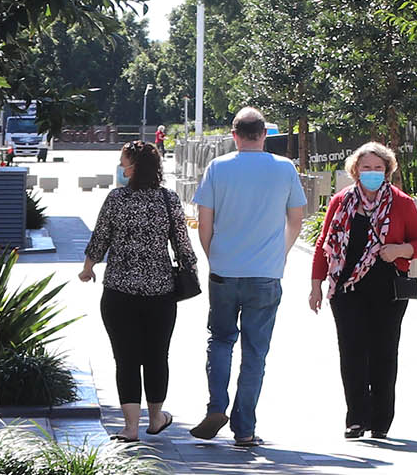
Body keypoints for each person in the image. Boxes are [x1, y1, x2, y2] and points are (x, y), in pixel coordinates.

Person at [190, 106, 309, 447]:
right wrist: (280, 254)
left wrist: (214, 256)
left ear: (235, 135)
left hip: (225, 270)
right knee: (255, 351)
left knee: (221, 339)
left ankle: (216, 405)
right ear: (265, 135)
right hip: (265, 274)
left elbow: (205, 220)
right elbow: (296, 220)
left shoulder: (219, 167)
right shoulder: (285, 168)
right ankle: (244, 428)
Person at [309, 142, 417, 441]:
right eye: (367, 168)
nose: (373, 173)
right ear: (355, 171)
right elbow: (324, 244)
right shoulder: (341, 202)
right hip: (347, 288)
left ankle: (380, 421)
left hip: (387, 289)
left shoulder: (401, 202)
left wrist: (400, 249)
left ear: (387, 170)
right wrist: (316, 285)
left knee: (383, 353)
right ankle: (355, 419)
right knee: (351, 353)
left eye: (378, 168)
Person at [79, 138, 198, 441]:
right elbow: (183, 246)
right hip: (160, 293)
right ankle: (156, 417)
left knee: (126, 358)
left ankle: (131, 427)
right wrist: (191, 274)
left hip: (118, 292)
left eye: (124, 161)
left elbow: (100, 237)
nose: (120, 166)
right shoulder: (168, 199)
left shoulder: (116, 199)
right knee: (158, 355)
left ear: (133, 167)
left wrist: (88, 266)